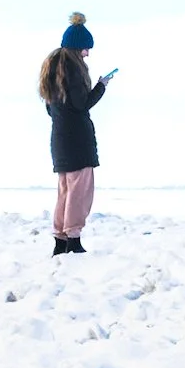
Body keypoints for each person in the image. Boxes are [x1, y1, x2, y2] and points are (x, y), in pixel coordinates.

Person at [39, 25, 112, 256]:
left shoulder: (53, 74)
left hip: (60, 141)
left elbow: (53, 111)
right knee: (80, 192)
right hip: (78, 142)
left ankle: (60, 241)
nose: (87, 54)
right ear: (76, 49)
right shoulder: (73, 72)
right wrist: (101, 87)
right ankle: (73, 239)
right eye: (85, 49)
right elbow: (82, 104)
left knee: (65, 192)